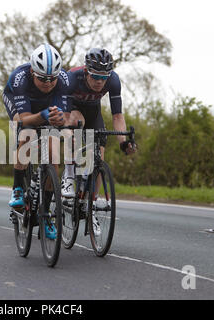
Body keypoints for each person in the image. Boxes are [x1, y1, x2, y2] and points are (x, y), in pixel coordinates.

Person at [64, 48, 137, 234]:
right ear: (87, 71)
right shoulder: (72, 77)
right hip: (72, 109)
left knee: (98, 156)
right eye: (95, 76)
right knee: (75, 122)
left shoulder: (113, 81)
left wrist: (123, 142)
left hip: (93, 112)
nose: (99, 81)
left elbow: (117, 116)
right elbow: (63, 114)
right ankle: (69, 174)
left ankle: (92, 206)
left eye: (103, 77)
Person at [2, 43, 70, 239]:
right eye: (42, 78)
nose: (47, 83)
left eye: (51, 79)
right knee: (26, 136)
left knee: (53, 157)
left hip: (46, 106)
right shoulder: (19, 78)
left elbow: (63, 116)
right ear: (32, 71)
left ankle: (46, 213)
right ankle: (17, 189)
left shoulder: (64, 80)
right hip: (22, 105)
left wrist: (60, 120)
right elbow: (23, 119)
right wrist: (43, 115)